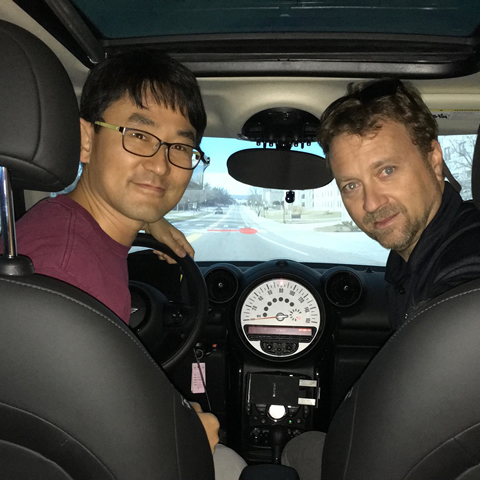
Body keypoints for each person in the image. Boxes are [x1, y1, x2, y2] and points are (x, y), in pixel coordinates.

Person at [11, 48, 247, 479]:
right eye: (138, 135)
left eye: (180, 146)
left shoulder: (59, 224)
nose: (160, 164)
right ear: (86, 139)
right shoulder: (64, 275)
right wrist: (183, 441)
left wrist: (150, 217)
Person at [281, 78, 480, 479]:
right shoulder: (419, 259)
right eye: (352, 185)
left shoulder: (463, 278)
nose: (370, 203)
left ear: (434, 158)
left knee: (298, 448)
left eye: (387, 170)